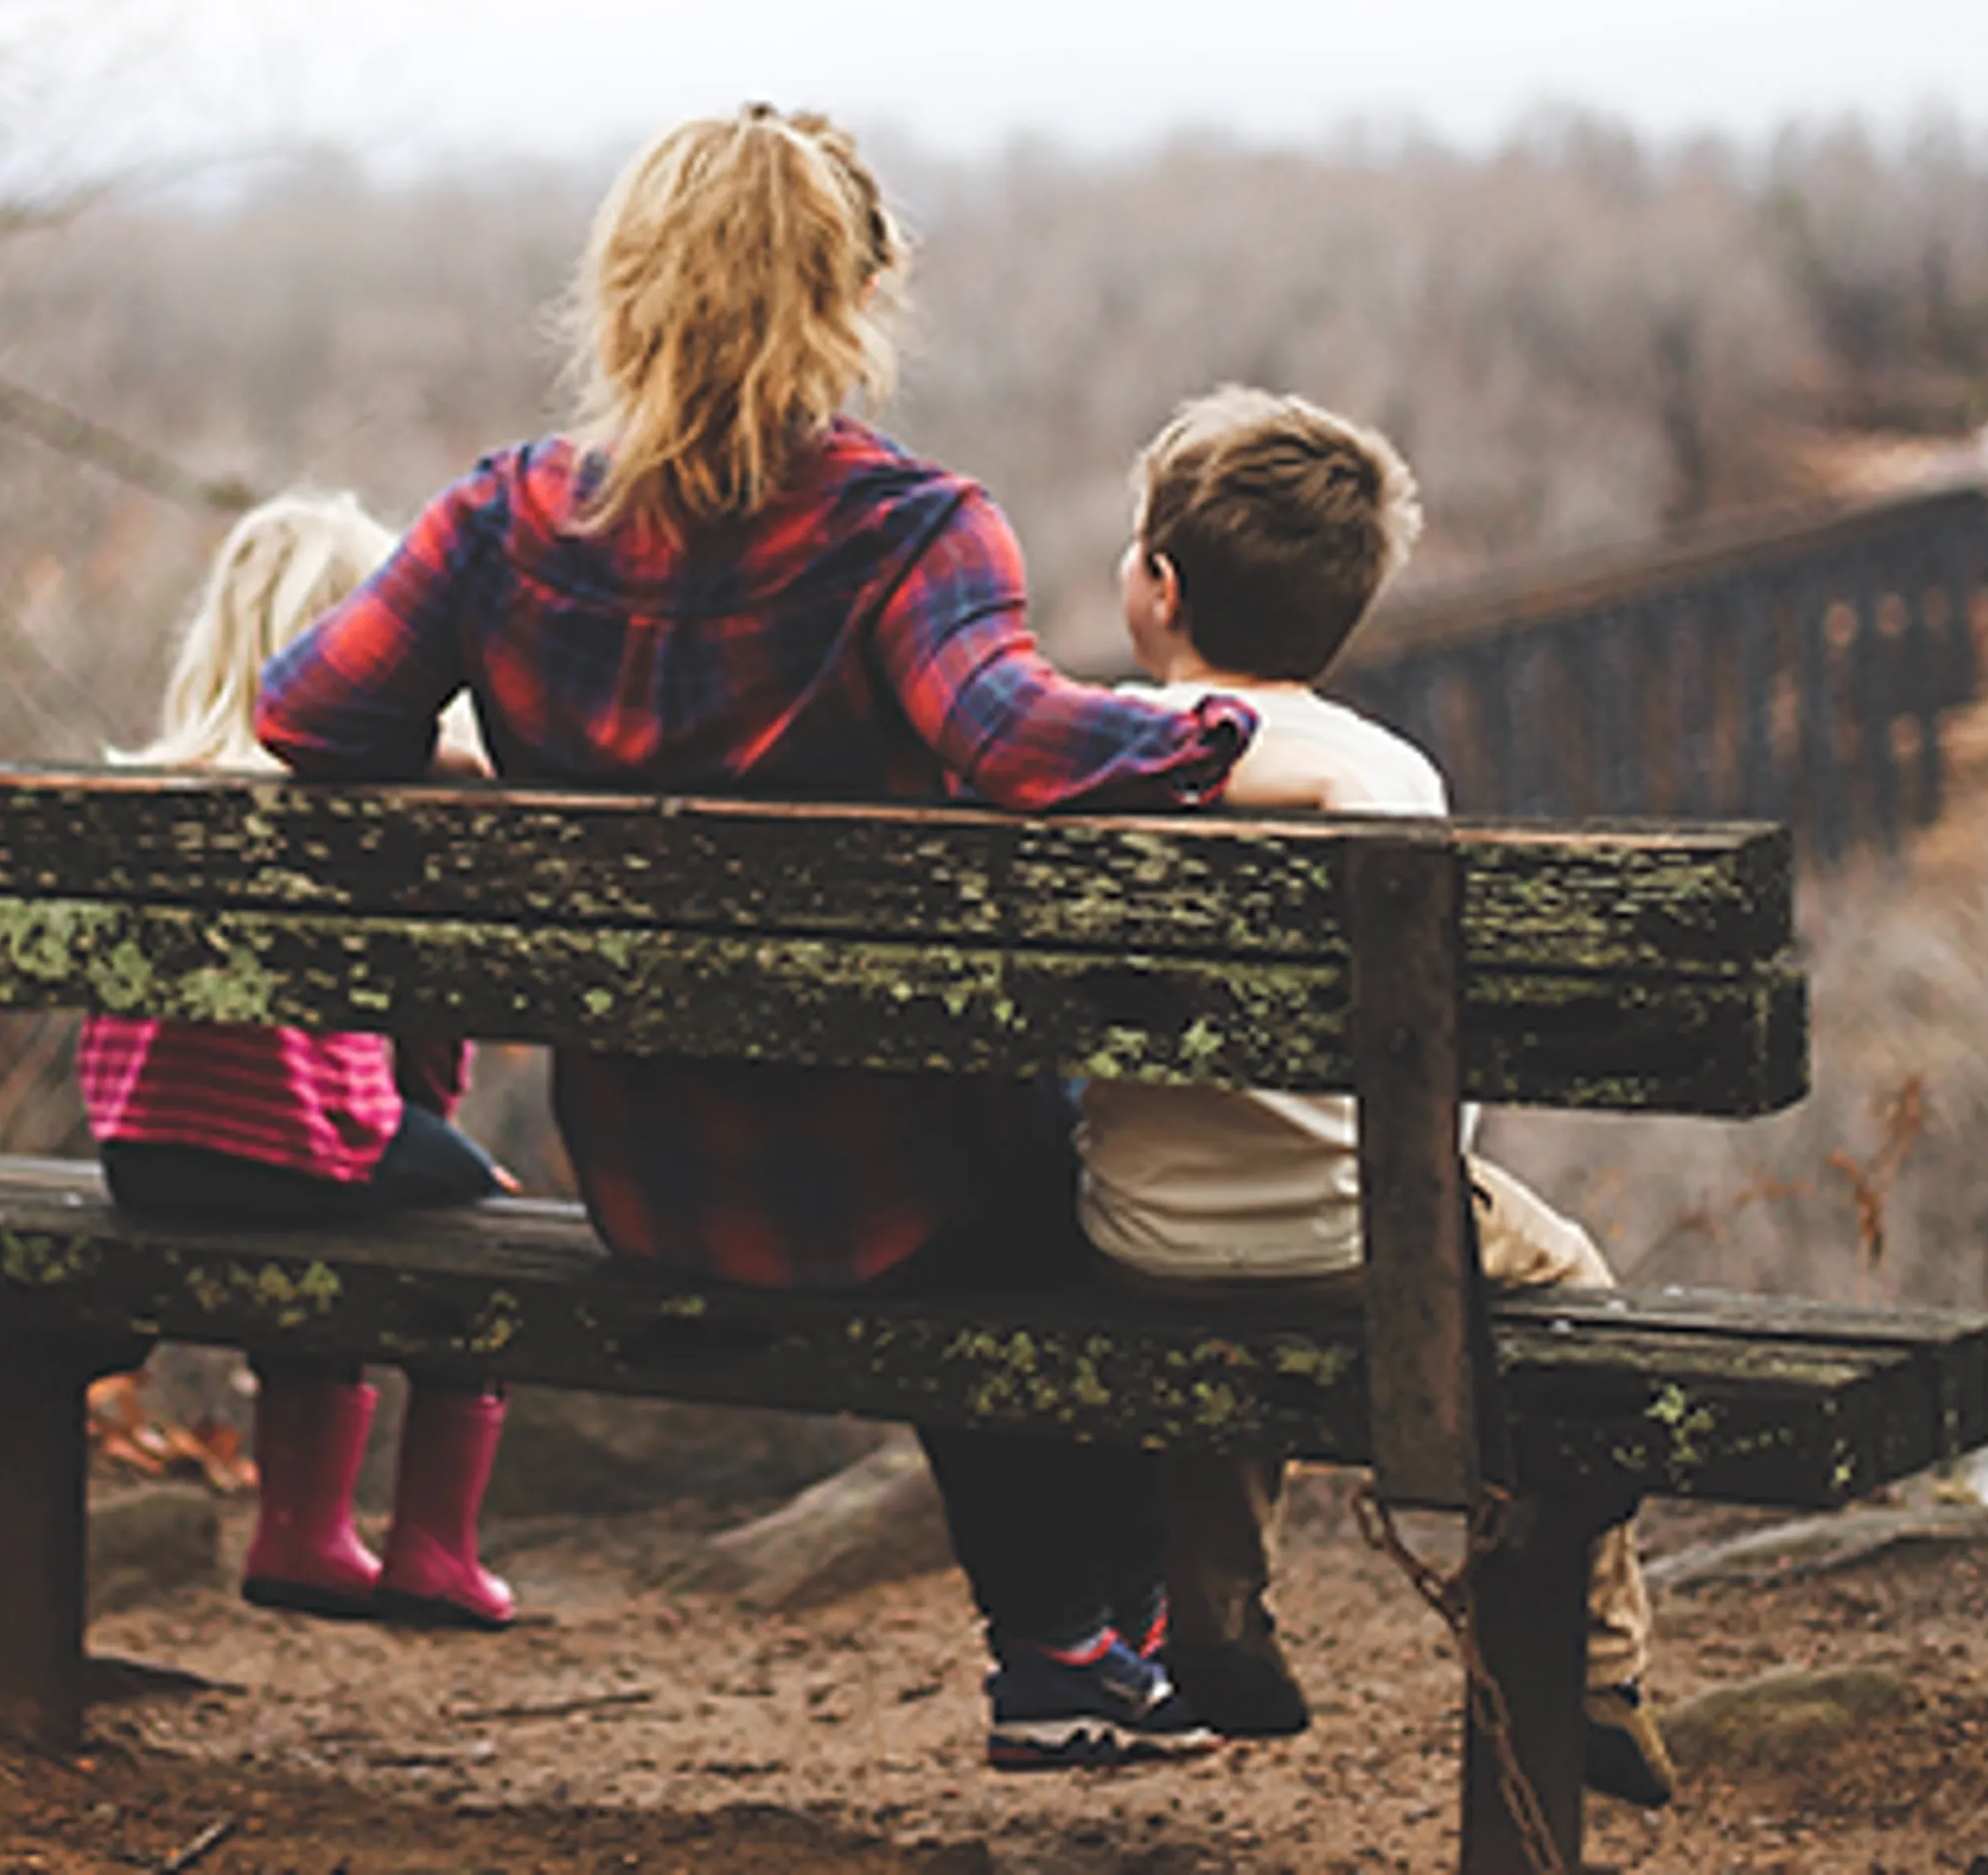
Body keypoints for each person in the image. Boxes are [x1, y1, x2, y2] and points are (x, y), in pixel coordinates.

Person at [256, 105, 1259, 1767]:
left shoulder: (501, 521)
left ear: (626, 291)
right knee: (1057, 1165)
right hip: (900, 1191)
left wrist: (462, 759)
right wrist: (1215, 731)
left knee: (1004, 1155)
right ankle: (1083, 1638)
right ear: (857, 295)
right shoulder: (909, 529)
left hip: (652, 1178)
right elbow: (1013, 740)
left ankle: (1090, 1643)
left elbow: (307, 715)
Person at [1079, 384, 1677, 1807]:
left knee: (1216, 1254)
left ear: (1157, 588)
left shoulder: (1087, 753)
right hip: (1370, 1236)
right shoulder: (1390, 776)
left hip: (1137, 1235)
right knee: (1574, 1284)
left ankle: (1215, 1612)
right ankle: (1599, 1666)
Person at [78, 489, 524, 1630]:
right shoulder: (365, 802)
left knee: (327, 1188)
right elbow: (424, 1030)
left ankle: (304, 1530)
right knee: (481, 1217)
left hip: (143, 1156)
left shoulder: (150, 791)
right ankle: (433, 1548)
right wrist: (438, 1129)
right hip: (299, 1149)